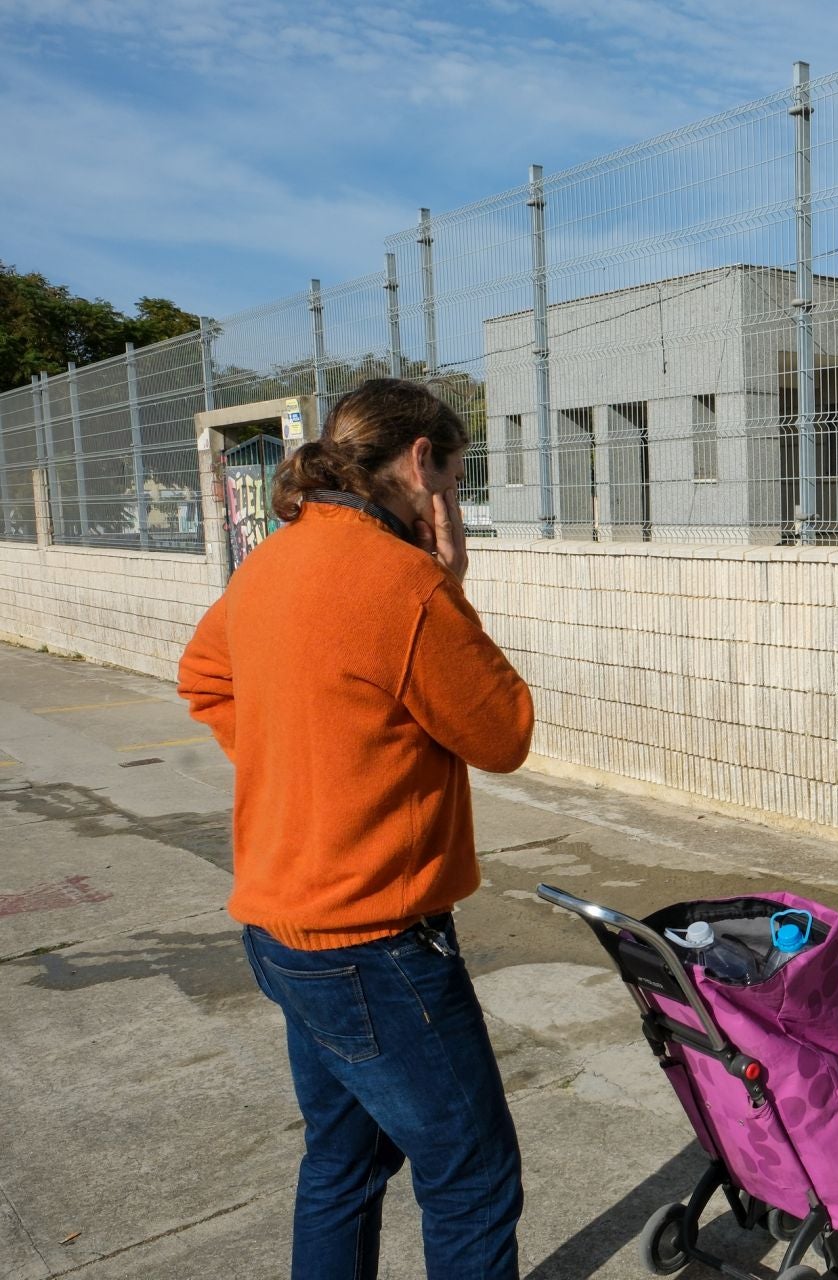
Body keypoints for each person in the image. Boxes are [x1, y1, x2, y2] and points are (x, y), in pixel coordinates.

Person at [178, 379, 534, 1278]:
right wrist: (450, 584)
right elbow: (504, 735)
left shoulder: (274, 558)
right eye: (454, 474)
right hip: (376, 945)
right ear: (422, 462)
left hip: (285, 931)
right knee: (474, 1177)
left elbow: (204, 677)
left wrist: (303, 767)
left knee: (345, 1160)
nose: (453, 496)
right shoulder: (406, 582)